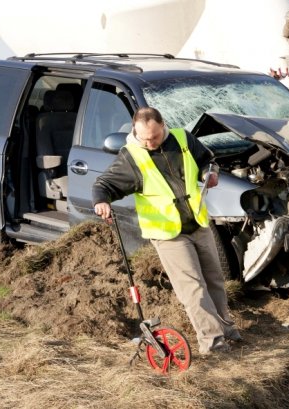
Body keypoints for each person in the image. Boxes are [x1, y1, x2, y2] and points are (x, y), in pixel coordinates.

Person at [92, 107, 241, 355]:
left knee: (215, 280)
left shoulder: (183, 139)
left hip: (197, 223)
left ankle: (226, 328)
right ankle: (212, 342)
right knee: (193, 288)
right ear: (135, 132)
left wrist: (209, 173)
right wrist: (101, 201)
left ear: (164, 126)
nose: (150, 143)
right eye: (144, 138)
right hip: (167, 233)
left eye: (155, 137)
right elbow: (104, 184)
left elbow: (207, 160)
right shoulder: (131, 156)